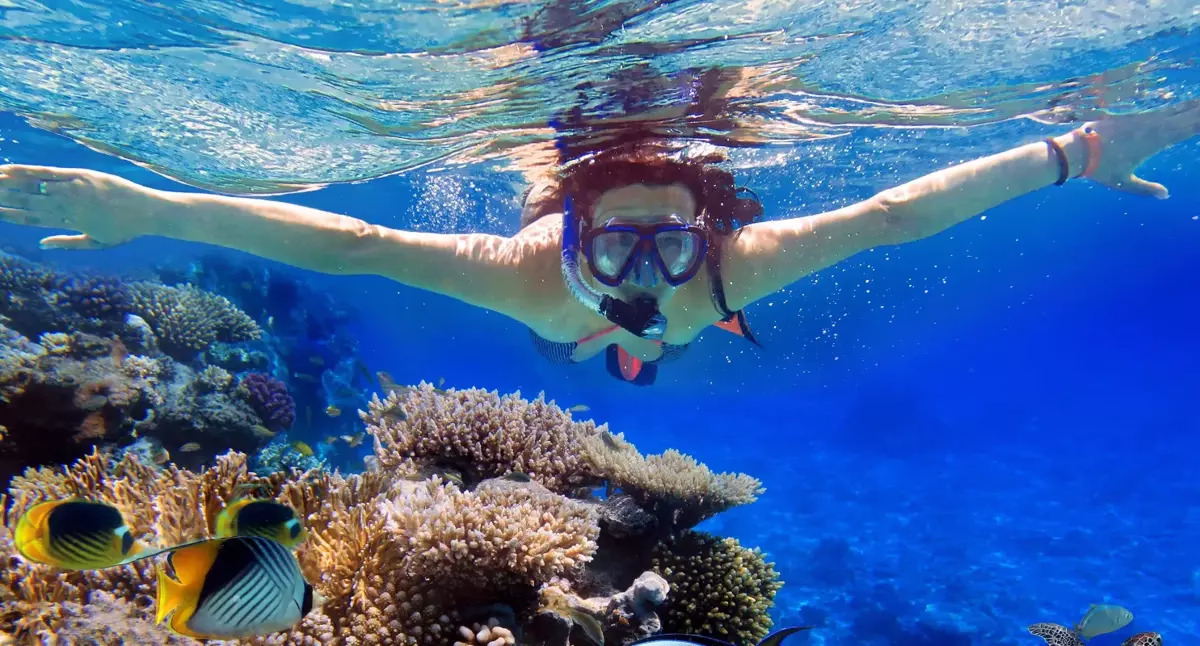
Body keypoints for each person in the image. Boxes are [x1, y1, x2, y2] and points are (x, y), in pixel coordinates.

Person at [1, 105, 1197, 384]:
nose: (644, 269)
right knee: (592, 341)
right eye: (615, 243)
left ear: (705, 229)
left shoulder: (727, 266)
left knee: (633, 344)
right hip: (567, 298)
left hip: (647, 316)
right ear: (569, 227)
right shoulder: (532, 273)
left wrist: (1077, 149)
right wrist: (151, 206)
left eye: (669, 244)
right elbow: (356, 242)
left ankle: (629, 355)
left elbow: (892, 215)